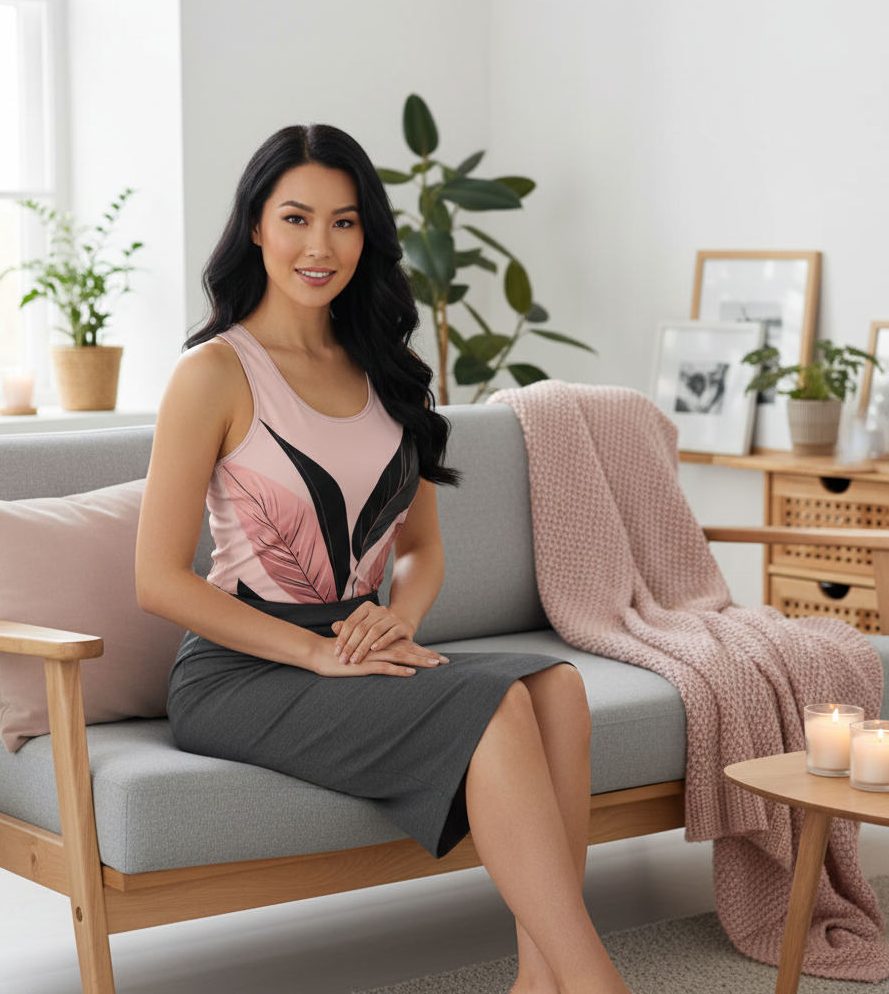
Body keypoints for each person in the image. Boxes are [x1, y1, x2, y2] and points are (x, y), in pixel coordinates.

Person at [135, 123, 632, 994]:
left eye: (345, 222)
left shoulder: (389, 370)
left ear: (368, 235)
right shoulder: (214, 373)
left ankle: (540, 982)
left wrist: (396, 621)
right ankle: (595, 984)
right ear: (255, 226)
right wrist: (315, 651)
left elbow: (424, 548)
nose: (319, 247)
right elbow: (157, 580)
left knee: (557, 687)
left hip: (357, 644)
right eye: (296, 219)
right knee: (502, 707)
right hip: (241, 668)